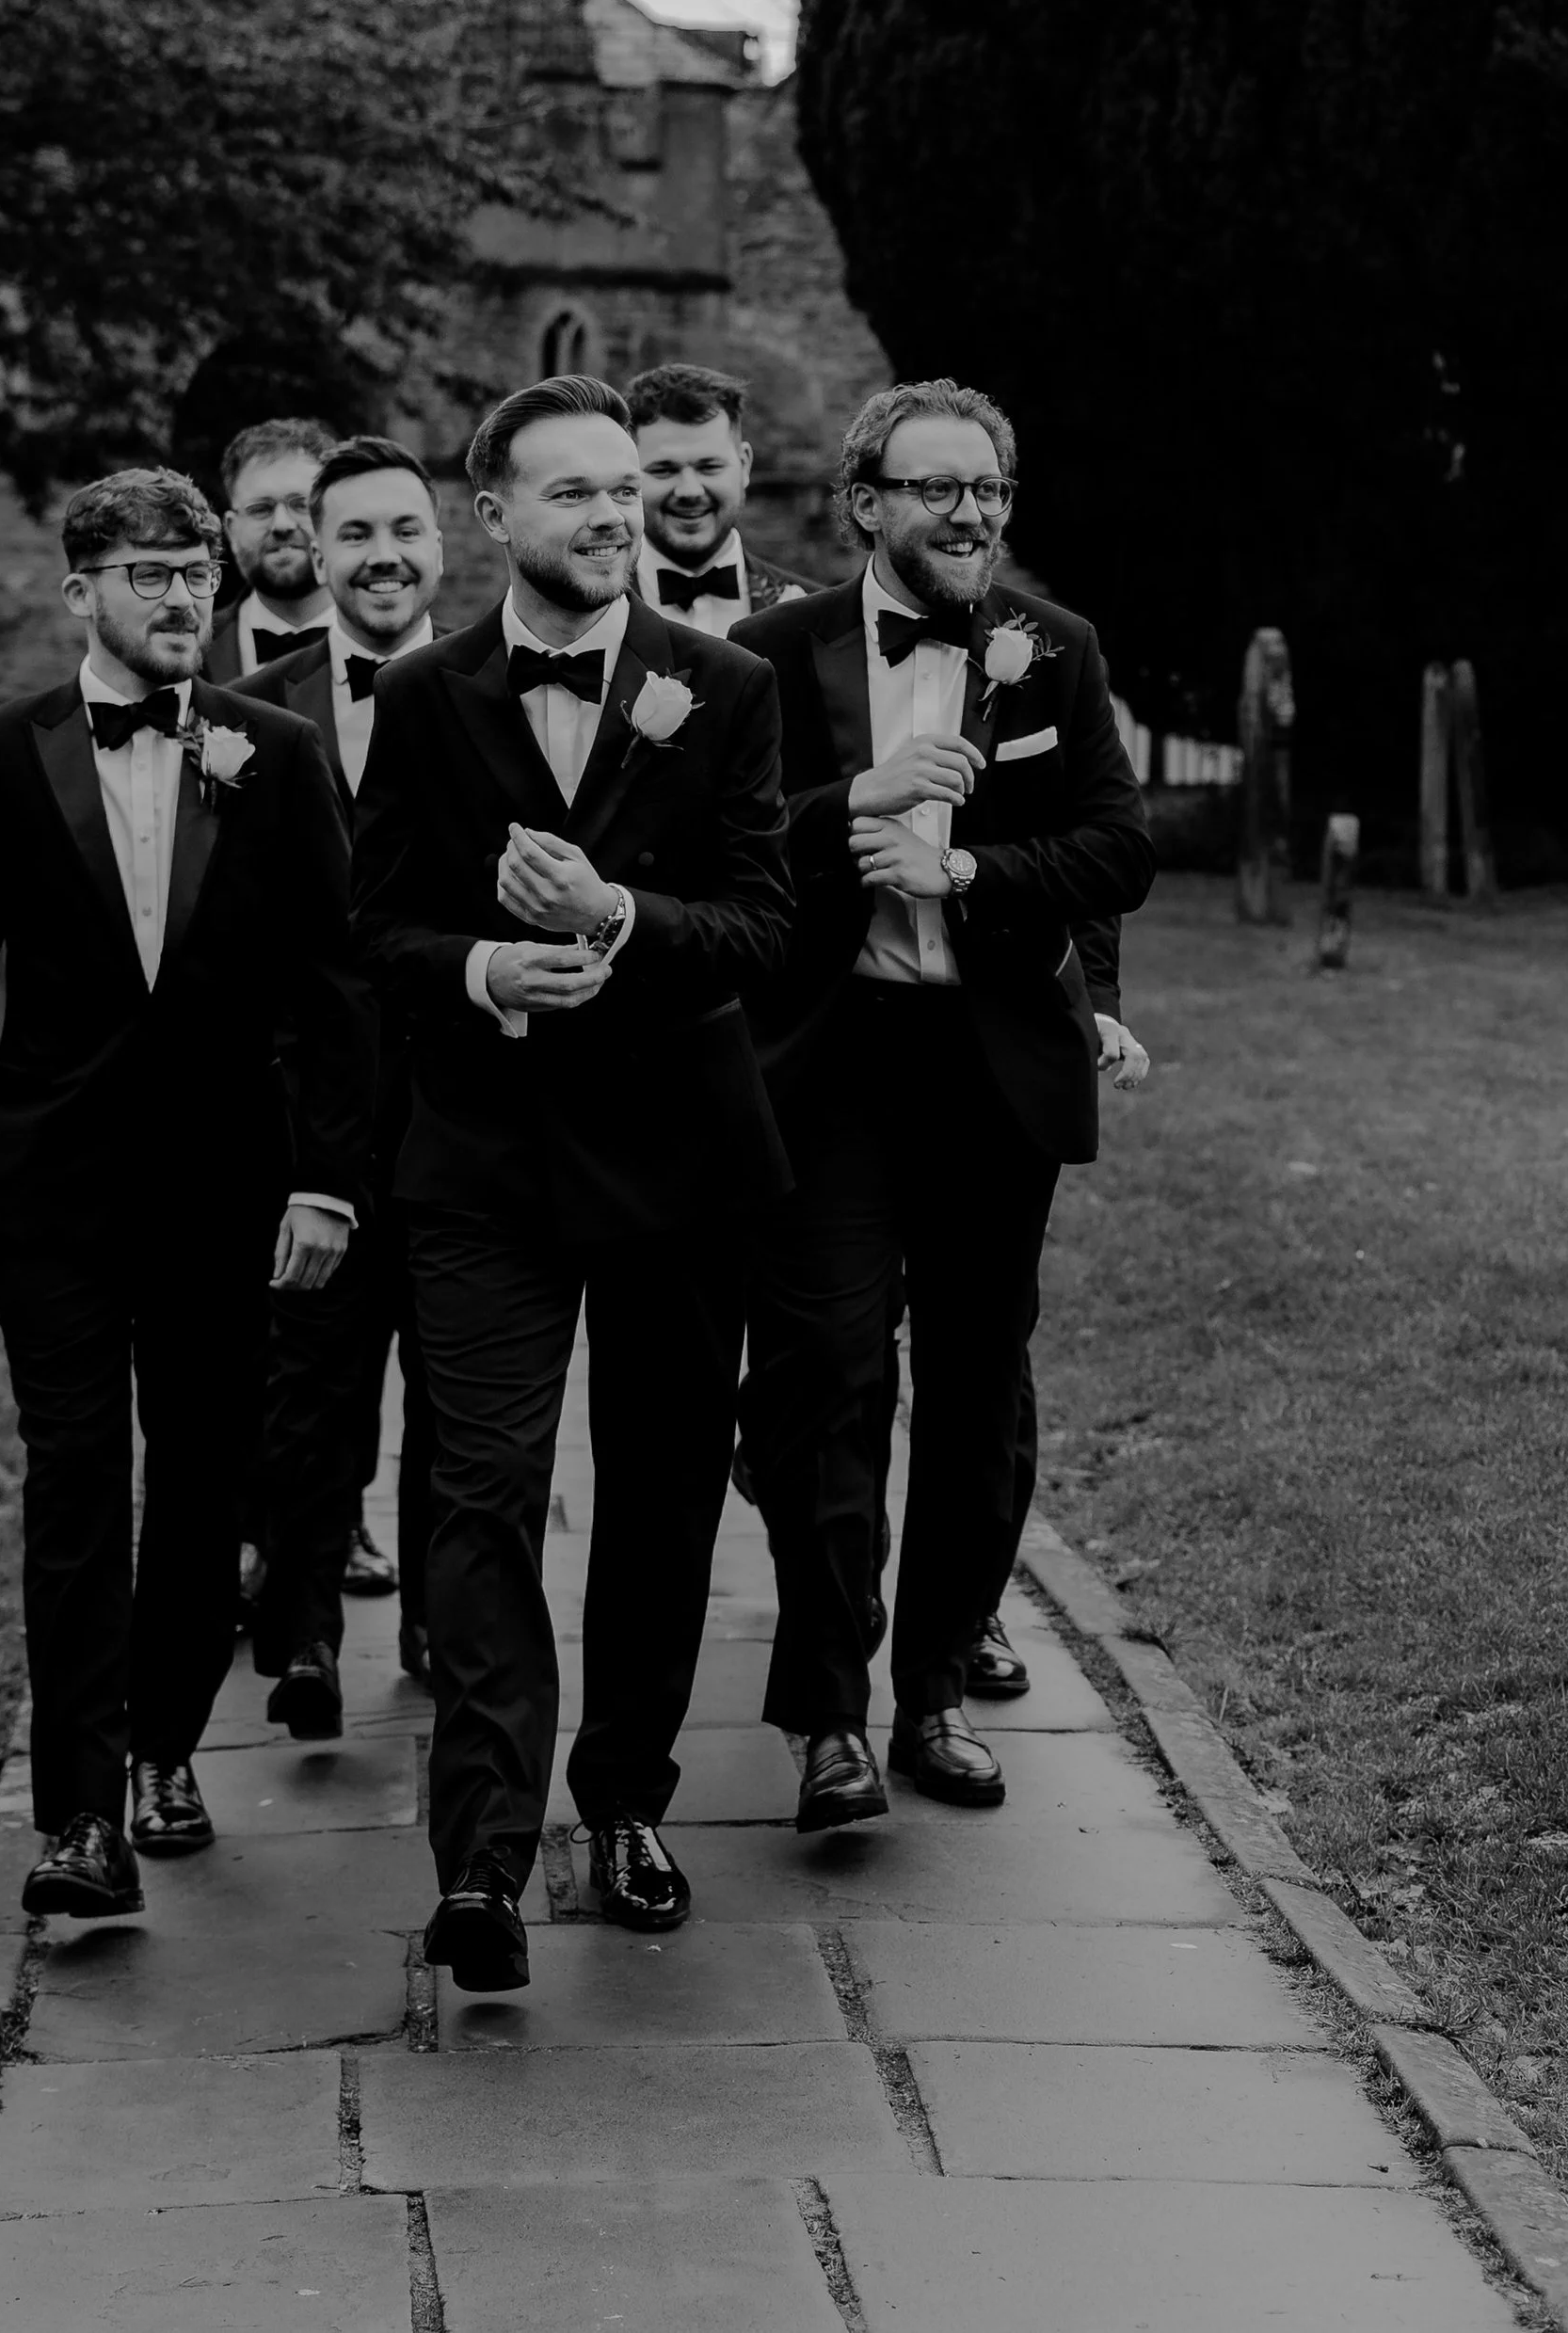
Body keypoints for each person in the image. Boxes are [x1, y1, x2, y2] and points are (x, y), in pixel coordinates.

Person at [350, 374, 793, 1995]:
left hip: (681, 1155)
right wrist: (480, 969)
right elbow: (373, 929)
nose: (614, 514)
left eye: (626, 489)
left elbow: (763, 924)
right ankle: (478, 1857)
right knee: (476, 1494)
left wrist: (617, 915)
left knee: (665, 1499)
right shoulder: (422, 697)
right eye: (575, 493)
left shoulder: (723, 688)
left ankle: (623, 1806)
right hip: (481, 1162)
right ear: (499, 516)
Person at [0, 466, 373, 1920]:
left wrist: (328, 1180)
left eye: (200, 574)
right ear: (82, 592)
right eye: (154, 574)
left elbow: (337, 982)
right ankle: (79, 1815)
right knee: (74, 1487)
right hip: (48, 1182)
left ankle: (166, 1746)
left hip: (228, 1185)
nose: (185, 599)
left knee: (199, 1488)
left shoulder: (275, 749)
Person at [734, 379, 1156, 1836]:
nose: (969, 512)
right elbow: (727, 853)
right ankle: (824, 1712)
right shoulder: (771, 653)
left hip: (989, 1072)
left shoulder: (1057, 654)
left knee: (978, 1386)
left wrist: (969, 874)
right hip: (831, 1064)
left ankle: (928, 1698)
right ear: (866, 503)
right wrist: (859, 806)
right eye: (936, 488)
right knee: (825, 1379)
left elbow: (1116, 849)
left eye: (987, 488)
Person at [238, 433, 447, 1727]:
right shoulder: (253, 709)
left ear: (441, 547)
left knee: (454, 1378)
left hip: (456, 1105)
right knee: (307, 1383)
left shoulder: (494, 689)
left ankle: (435, 1615)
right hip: (303, 1112)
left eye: (403, 533)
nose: (380, 557)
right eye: (354, 535)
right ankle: (303, 1627)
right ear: (318, 553)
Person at [627, 360, 808, 633]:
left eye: (709, 467)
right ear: (629, 476)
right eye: (664, 469)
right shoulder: (586, 609)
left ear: (744, 465)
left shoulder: (813, 614)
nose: (689, 491)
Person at [214, 416, 339, 675]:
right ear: (231, 529)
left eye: (301, 504)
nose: (282, 525)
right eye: (261, 509)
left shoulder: (405, 648)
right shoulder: (192, 649)